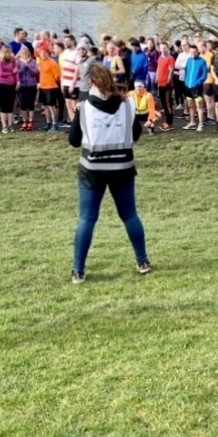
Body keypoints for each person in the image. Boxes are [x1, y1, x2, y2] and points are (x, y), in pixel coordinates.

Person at [68, 64, 151, 283]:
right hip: (122, 168)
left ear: (92, 83)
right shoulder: (127, 104)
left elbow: (74, 141)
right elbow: (136, 134)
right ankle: (142, 261)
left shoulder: (84, 108)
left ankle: (78, 270)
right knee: (130, 215)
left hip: (92, 170)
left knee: (87, 218)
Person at [182, 44, 208, 132]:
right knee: (190, 106)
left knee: (199, 107)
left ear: (197, 52)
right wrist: (186, 82)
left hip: (197, 87)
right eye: (191, 52)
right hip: (187, 87)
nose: (193, 53)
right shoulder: (189, 60)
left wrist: (197, 82)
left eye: (194, 52)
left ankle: (201, 124)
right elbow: (186, 71)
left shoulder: (202, 61)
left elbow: (204, 75)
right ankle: (192, 122)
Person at [38, 45, 62, 131]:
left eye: (45, 52)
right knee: (45, 106)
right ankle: (48, 123)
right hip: (43, 87)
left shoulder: (52, 62)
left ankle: (55, 124)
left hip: (51, 87)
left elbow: (57, 76)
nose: (43, 54)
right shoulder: (41, 62)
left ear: (48, 53)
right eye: (41, 53)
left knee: (52, 106)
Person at [0, 44, 19, 133]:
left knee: (10, 106)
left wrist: (18, 81)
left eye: (10, 52)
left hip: (12, 84)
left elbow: (16, 72)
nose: (9, 54)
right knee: (3, 106)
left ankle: (10, 125)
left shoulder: (13, 60)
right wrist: (11, 72)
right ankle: (4, 126)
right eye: (8, 52)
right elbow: (0, 73)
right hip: (2, 84)